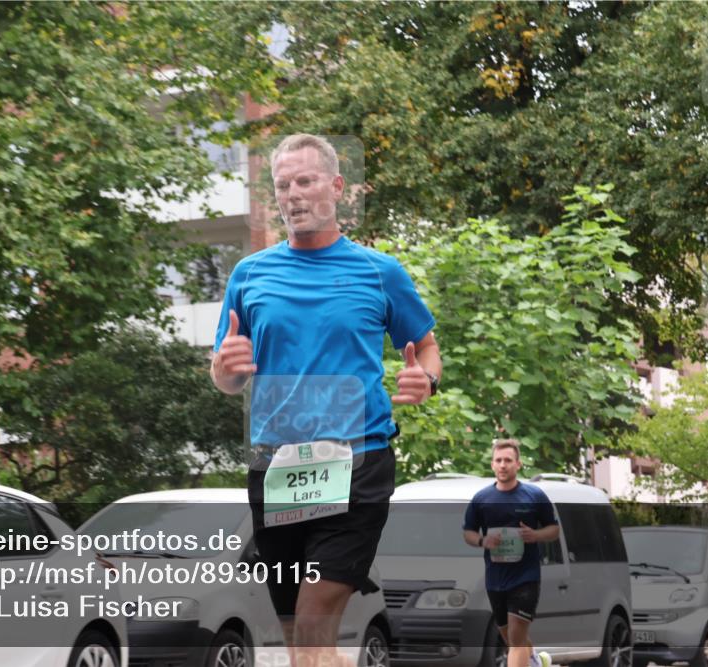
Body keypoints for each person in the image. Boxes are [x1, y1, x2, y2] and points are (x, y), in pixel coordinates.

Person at [211, 133, 442, 667]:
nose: (292, 194)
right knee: (301, 638)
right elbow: (228, 377)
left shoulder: (379, 272)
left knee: (314, 615)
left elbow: (427, 349)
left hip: (357, 461)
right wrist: (225, 369)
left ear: (337, 187)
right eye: (282, 185)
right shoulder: (250, 275)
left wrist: (425, 379)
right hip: (278, 468)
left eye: (305, 181)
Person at [462, 440, 560, 667]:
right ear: (492, 465)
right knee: (511, 638)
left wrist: (535, 535)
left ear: (518, 464)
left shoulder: (533, 495)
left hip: (526, 577)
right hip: (495, 579)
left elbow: (554, 529)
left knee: (516, 639)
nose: (503, 465)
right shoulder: (482, 499)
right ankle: (537, 661)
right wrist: (482, 541)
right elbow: (468, 532)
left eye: (508, 460)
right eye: (498, 460)